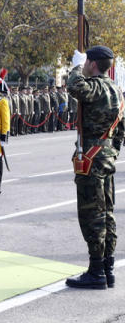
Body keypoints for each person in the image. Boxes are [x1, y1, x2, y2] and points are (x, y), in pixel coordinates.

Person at [65, 46, 124, 290]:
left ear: (92, 63)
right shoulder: (116, 90)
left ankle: (96, 270)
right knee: (107, 212)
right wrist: (111, 151)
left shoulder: (96, 87)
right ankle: (107, 268)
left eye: (87, 61)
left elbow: (74, 87)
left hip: (91, 157)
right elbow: (120, 129)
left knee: (92, 214)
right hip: (106, 155)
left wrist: (76, 66)